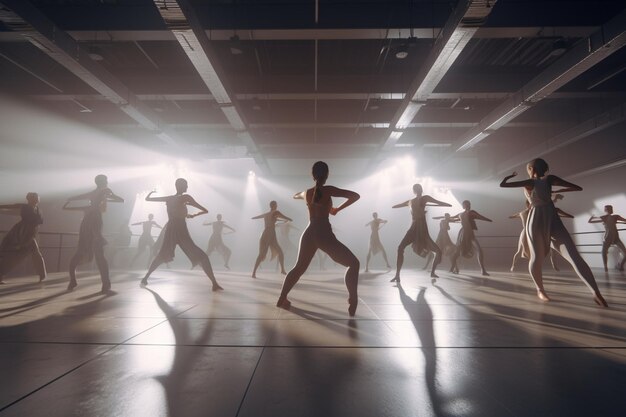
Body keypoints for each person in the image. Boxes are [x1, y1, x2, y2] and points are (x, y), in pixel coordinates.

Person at [500, 158, 607, 306]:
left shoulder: (542, 180)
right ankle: (540, 290)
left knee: (572, 256)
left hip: (546, 217)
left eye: (528, 169)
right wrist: (557, 189)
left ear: (532, 169)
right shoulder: (541, 181)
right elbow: (577, 188)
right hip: (539, 217)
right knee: (538, 257)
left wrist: (510, 177)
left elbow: (503, 184)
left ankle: (596, 293)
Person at [276, 161, 360, 316]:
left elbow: (295, 195)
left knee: (298, 268)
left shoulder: (306, 193)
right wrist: (336, 209)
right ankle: (353, 299)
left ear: (312, 175)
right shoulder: (329, 190)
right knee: (354, 264)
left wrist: (303, 195)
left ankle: (282, 298)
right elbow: (355, 196)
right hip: (323, 231)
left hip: (309, 232)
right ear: (327, 175)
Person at [140, 178, 222, 291]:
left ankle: (145, 278)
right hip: (179, 229)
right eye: (186, 185)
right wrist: (193, 215)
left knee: (162, 255)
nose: (187, 187)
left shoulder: (170, 198)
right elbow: (205, 210)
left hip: (171, 229)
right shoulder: (185, 197)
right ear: (180, 186)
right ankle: (214, 283)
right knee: (201, 256)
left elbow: (148, 198)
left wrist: (151, 193)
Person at [65, 175, 123, 292]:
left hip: (87, 221)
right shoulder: (106, 190)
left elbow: (77, 197)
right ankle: (106, 283)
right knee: (99, 255)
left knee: (80, 251)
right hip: (95, 220)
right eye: (106, 180)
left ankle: (72, 280)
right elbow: (121, 200)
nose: (107, 182)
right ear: (103, 182)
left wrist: (70, 198)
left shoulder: (93, 192)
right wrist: (107, 198)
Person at [390, 184, 452, 282]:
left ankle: (431, 272)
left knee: (438, 251)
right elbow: (438, 202)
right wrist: (446, 204)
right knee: (400, 248)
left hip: (420, 229)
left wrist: (446, 204)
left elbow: (437, 202)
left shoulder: (420, 199)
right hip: (415, 228)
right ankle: (397, 275)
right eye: (417, 189)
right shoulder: (413, 201)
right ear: (417, 190)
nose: (418, 190)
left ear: (415, 190)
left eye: (418, 189)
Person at [509, 199, 571, 272]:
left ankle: (554, 265)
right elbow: (512, 216)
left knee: (551, 249)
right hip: (527, 232)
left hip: (536, 231)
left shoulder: (533, 212)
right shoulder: (527, 212)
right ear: (529, 204)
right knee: (520, 251)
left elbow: (511, 217)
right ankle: (513, 265)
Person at [0, 192, 46, 283]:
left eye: (37, 198)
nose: (36, 200)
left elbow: (37, 223)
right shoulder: (25, 207)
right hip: (21, 233)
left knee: (34, 253)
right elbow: (12, 206)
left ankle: (42, 275)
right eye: (35, 198)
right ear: (30, 199)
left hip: (30, 233)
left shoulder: (38, 209)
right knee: (11, 254)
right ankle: (42, 275)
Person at [449, 200, 492, 276]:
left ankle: (483, 270)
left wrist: (488, 220)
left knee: (479, 249)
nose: (469, 205)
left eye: (469, 204)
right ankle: (455, 267)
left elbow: (480, 217)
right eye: (467, 204)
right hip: (463, 234)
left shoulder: (470, 213)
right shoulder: (461, 214)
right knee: (457, 252)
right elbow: (451, 218)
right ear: (464, 206)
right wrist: (444, 218)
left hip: (470, 234)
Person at [251, 201, 292, 278]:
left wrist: (284, 220)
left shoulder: (267, 214)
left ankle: (282, 269)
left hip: (268, 233)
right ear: (274, 205)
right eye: (276, 204)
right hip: (269, 233)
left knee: (280, 251)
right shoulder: (276, 212)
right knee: (263, 253)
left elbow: (261, 217)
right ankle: (253, 272)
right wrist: (288, 218)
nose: (277, 206)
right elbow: (282, 216)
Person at [588, 205, 626, 271]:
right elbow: (590, 221)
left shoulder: (616, 216)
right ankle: (606, 267)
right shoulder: (604, 217)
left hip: (616, 238)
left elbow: (625, 220)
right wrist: (591, 218)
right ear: (606, 210)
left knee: (625, 253)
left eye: (611, 208)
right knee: (604, 252)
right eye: (608, 209)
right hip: (607, 238)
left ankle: (620, 265)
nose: (610, 210)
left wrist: (622, 222)